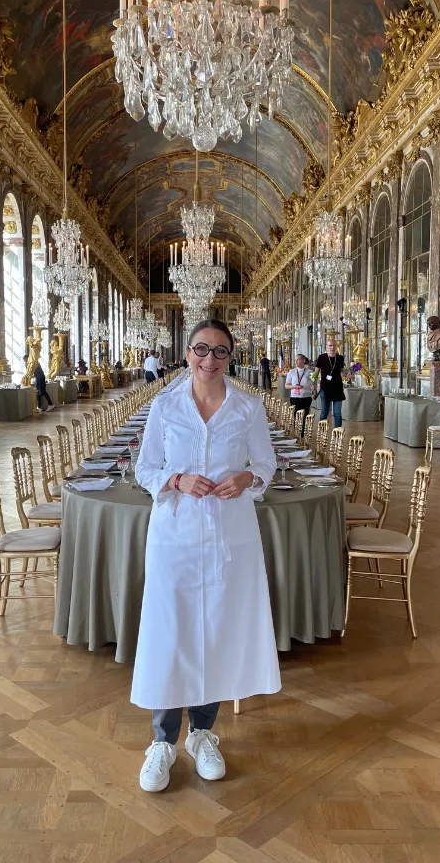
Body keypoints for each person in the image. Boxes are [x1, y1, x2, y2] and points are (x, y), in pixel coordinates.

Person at [133, 319, 280, 793]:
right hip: (175, 534)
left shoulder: (248, 408)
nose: (209, 359)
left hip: (229, 535)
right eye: (201, 349)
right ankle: (161, 741)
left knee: (215, 630)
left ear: (231, 356)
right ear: (187, 353)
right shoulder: (165, 405)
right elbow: (145, 466)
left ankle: (201, 733)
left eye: (219, 351)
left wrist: (247, 479)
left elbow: (266, 463)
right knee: (170, 629)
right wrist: (175, 480)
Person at [316, 336, 345, 429]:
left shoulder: (340, 358)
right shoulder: (321, 357)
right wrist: (312, 384)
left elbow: (342, 371)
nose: (332, 347)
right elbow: (316, 373)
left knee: (337, 413)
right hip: (325, 388)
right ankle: (322, 431)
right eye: (330, 345)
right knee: (324, 412)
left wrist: (347, 374)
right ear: (326, 347)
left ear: (336, 347)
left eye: (334, 345)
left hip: (337, 388)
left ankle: (337, 433)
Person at [285, 354, 313, 434]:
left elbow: (312, 384)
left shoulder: (309, 372)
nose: (296, 361)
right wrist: (295, 387)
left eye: (298, 359)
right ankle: (297, 432)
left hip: (306, 397)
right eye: (295, 360)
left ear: (303, 360)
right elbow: (287, 385)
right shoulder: (291, 372)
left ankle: (303, 433)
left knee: (304, 416)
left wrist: (312, 388)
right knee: (296, 416)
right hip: (295, 397)